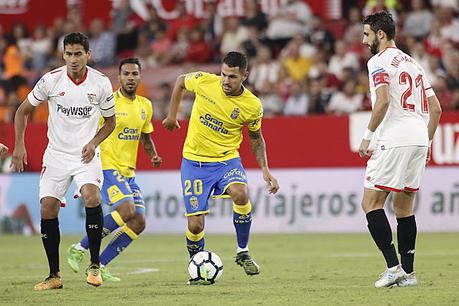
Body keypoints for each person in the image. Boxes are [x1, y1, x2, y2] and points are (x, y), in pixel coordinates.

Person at [162, 51, 280, 284]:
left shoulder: (252, 105)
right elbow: (180, 82)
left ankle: (242, 251)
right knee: (195, 225)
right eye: (224, 75)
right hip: (194, 162)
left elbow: (256, 138)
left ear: (245, 76)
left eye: (232, 77)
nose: (226, 81)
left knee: (241, 192)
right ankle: (195, 265)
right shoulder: (206, 81)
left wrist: (265, 169)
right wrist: (172, 116)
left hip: (227, 160)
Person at [10, 32, 116, 290]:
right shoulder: (50, 80)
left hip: (85, 153)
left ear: (88, 55)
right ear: (63, 54)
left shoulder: (100, 83)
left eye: (78, 54)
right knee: (47, 207)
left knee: (92, 197)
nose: (73, 59)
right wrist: (20, 144)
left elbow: (111, 122)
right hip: (56, 154)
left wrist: (94, 142)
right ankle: (54, 276)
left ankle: (94, 266)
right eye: (68, 54)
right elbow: (23, 111)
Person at [359, 11, 442, 288]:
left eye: (367, 34)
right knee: (404, 207)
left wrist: (367, 136)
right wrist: (427, 142)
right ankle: (409, 274)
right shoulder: (413, 63)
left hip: (395, 137)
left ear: (380, 34)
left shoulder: (378, 61)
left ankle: (393, 268)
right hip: (419, 137)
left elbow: (382, 101)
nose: (363, 40)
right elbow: (437, 109)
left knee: (371, 203)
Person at [67, 57, 162, 282]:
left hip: (129, 173)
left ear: (140, 77)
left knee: (138, 222)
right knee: (127, 211)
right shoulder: (107, 102)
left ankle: (100, 266)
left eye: (134, 74)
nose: (130, 78)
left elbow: (145, 138)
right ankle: (79, 247)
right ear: (118, 77)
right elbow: (86, 127)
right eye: (126, 74)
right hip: (107, 166)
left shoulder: (145, 105)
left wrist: (153, 155)